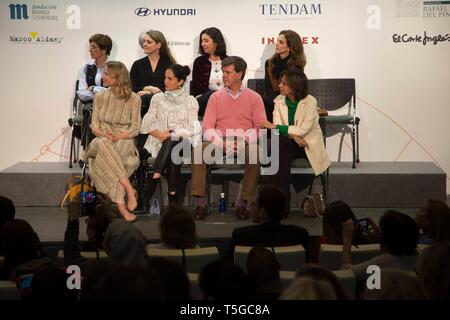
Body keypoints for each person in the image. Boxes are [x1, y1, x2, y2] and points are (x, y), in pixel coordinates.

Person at [191, 56, 267, 220]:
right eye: (223, 72)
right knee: (198, 151)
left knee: (255, 153)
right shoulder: (216, 97)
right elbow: (207, 127)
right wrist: (222, 143)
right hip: (220, 140)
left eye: (228, 72)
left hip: (244, 141)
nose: (223, 76)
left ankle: (242, 203)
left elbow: (259, 127)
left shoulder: (254, 97)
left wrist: (244, 141)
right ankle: (200, 203)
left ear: (239, 74)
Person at [261, 69, 330, 208]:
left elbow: (303, 130)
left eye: (284, 84)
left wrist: (281, 129)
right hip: (287, 144)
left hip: (306, 145)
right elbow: (278, 127)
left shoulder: (310, 102)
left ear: (294, 87)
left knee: (276, 151)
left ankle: (274, 204)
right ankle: (281, 202)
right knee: (281, 149)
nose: (279, 86)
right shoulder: (279, 100)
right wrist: (292, 135)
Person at [83, 61, 141, 222]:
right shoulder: (100, 96)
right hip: (101, 139)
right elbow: (94, 126)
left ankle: (120, 205)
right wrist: (104, 134)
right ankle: (128, 191)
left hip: (123, 139)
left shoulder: (134, 99)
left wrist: (119, 136)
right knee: (103, 144)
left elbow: (135, 128)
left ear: (118, 77)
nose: (103, 76)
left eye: (107, 74)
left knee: (119, 159)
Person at [140, 64, 200, 206]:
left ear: (180, 81)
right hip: (159, 141)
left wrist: (174, 134)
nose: (165, 81)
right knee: (172, 146)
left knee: (173, 141)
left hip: (184, 143)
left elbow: (192, 128)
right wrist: (160, 134)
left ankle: (154, 179)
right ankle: (172, 196)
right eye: (165, 78)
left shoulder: (191, 101)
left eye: (170, 78)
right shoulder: (158, 99)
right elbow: (145, 124)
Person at [229, 185, 309, 259]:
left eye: (253, 204)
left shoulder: (241, 236)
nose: (251, 209)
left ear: (262, 211)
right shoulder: (299, 235)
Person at [341, 210, 420, 282]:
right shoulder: (420, 258)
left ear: (385, 239)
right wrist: (380, 237)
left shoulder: (383, 262)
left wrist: (346, 240)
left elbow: (346, 271)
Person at [76, 34, 113, 148]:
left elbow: (116, 91)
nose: (89, 50)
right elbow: (81, 93)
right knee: (91, 111)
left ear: (104, 49)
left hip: (111, 105)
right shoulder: (85, 69)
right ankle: (90, 149)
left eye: (93, 47)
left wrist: (93, 88)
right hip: (91, 105)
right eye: (90, 47)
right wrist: (103, 92)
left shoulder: (115, 68)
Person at [263, 30, 306, 122]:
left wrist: (280, 102)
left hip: (288, 100)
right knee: (264, 101)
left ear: (290, 47)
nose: (277, 44)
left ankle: (284, 134)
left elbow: (293, 90)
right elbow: (267, 87)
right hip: (271, 100)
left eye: (281, 42)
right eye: (277, 41)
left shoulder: (296, 66)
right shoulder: (269, 63)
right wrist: (275, 101)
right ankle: (268, 136)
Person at [130, 30, 176, 109]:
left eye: (149, 42)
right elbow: (132, 87)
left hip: (164, 106)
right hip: (140, 106)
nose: (144, 44)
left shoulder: (170, 64)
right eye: (144, 41)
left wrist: (153, 92)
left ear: (158, 45)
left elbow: (173, 87)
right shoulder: (137, 64)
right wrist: (147, 89)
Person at [191, 27, 228, 118]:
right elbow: (197, 86)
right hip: (205, 99)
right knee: (210, 97)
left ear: (216, 42)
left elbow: (233, 85)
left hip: (225, 99)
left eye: (206, 41)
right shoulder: (199, 61)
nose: (202, 44)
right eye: (202, 41)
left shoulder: (229, 60)